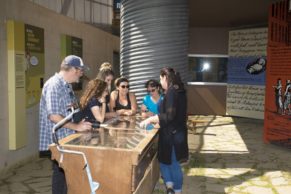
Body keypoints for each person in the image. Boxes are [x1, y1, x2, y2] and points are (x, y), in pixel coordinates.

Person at [39, 55, 92, 194]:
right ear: (74, 69)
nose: (82, 74)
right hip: (58, 140)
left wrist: (79, 122)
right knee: (60, 175)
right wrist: (76, 127)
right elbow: (54, 116)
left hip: (67, 138)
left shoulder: (66, 85)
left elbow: (70, 110)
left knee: (66, 175)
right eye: (81, 71)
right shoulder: (54, 85)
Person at [140, 67, 189, 194]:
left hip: (173, 134)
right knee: (164, 160)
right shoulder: (177, 90)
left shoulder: (172, 92)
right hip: (170, 133)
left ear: (166, 77)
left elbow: (170, 115)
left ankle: (176, 190)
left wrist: (151, 119)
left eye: (161, 79)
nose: (160, 82)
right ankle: (170, 188)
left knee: (173, 163)